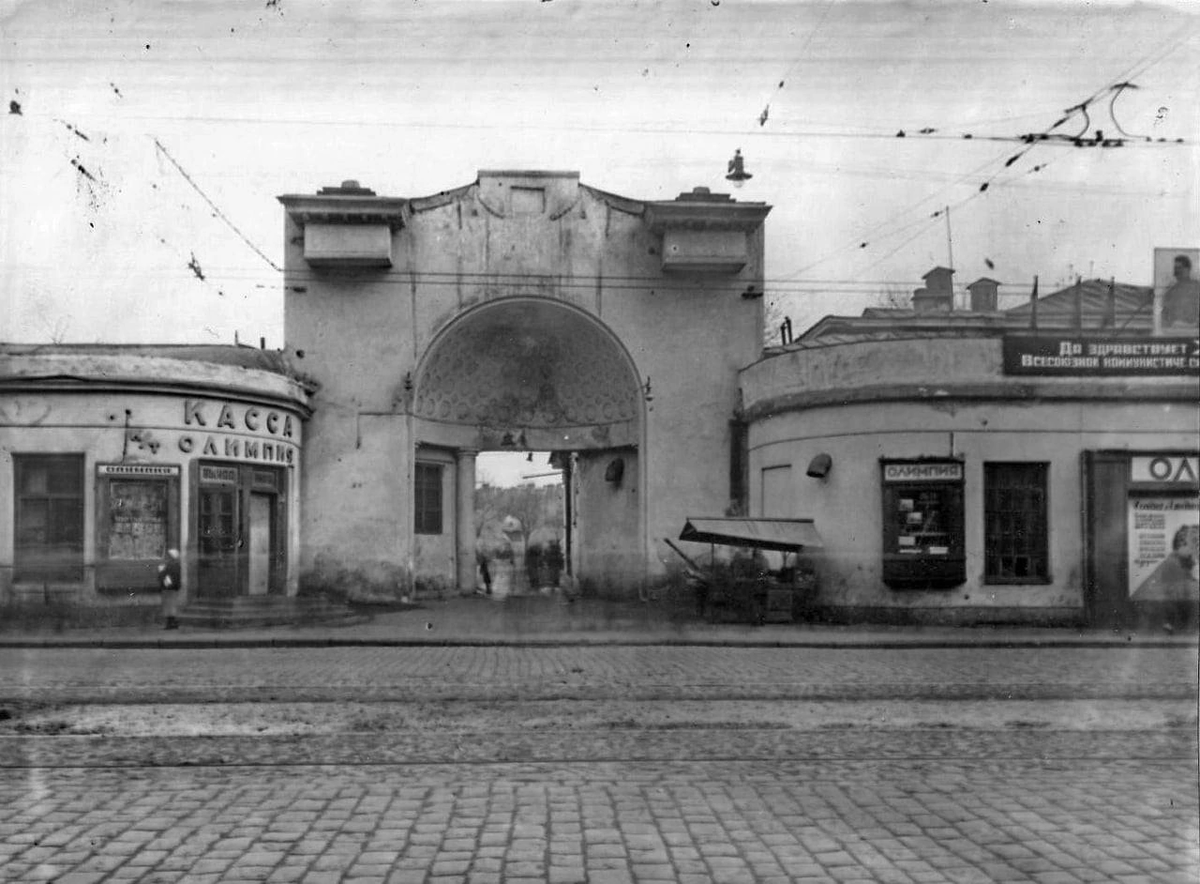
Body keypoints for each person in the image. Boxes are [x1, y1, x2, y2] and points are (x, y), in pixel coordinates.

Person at [1132, 524, 1199, 602]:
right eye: (1195, 541)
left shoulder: (1179, 564)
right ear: (1182, 542)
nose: (1197, 548)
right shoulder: (1172, 566)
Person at [1162, 254, 1200, 327]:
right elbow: (1164, 315)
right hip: (1173, 332)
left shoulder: (1197, 287)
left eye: (1180, 268)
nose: (1177, 271)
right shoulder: (1170, 291)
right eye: (1175, 268)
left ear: (1188, 269)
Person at [157, 548, 182, 629]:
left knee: (169, 606)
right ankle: (173, 622)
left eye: (168, 556)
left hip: (169, 588)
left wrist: (161, 571)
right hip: (173, 588)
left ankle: (171, 623)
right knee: (171, 606)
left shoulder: (171, 565)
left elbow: (166, 575)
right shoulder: (176, 564)